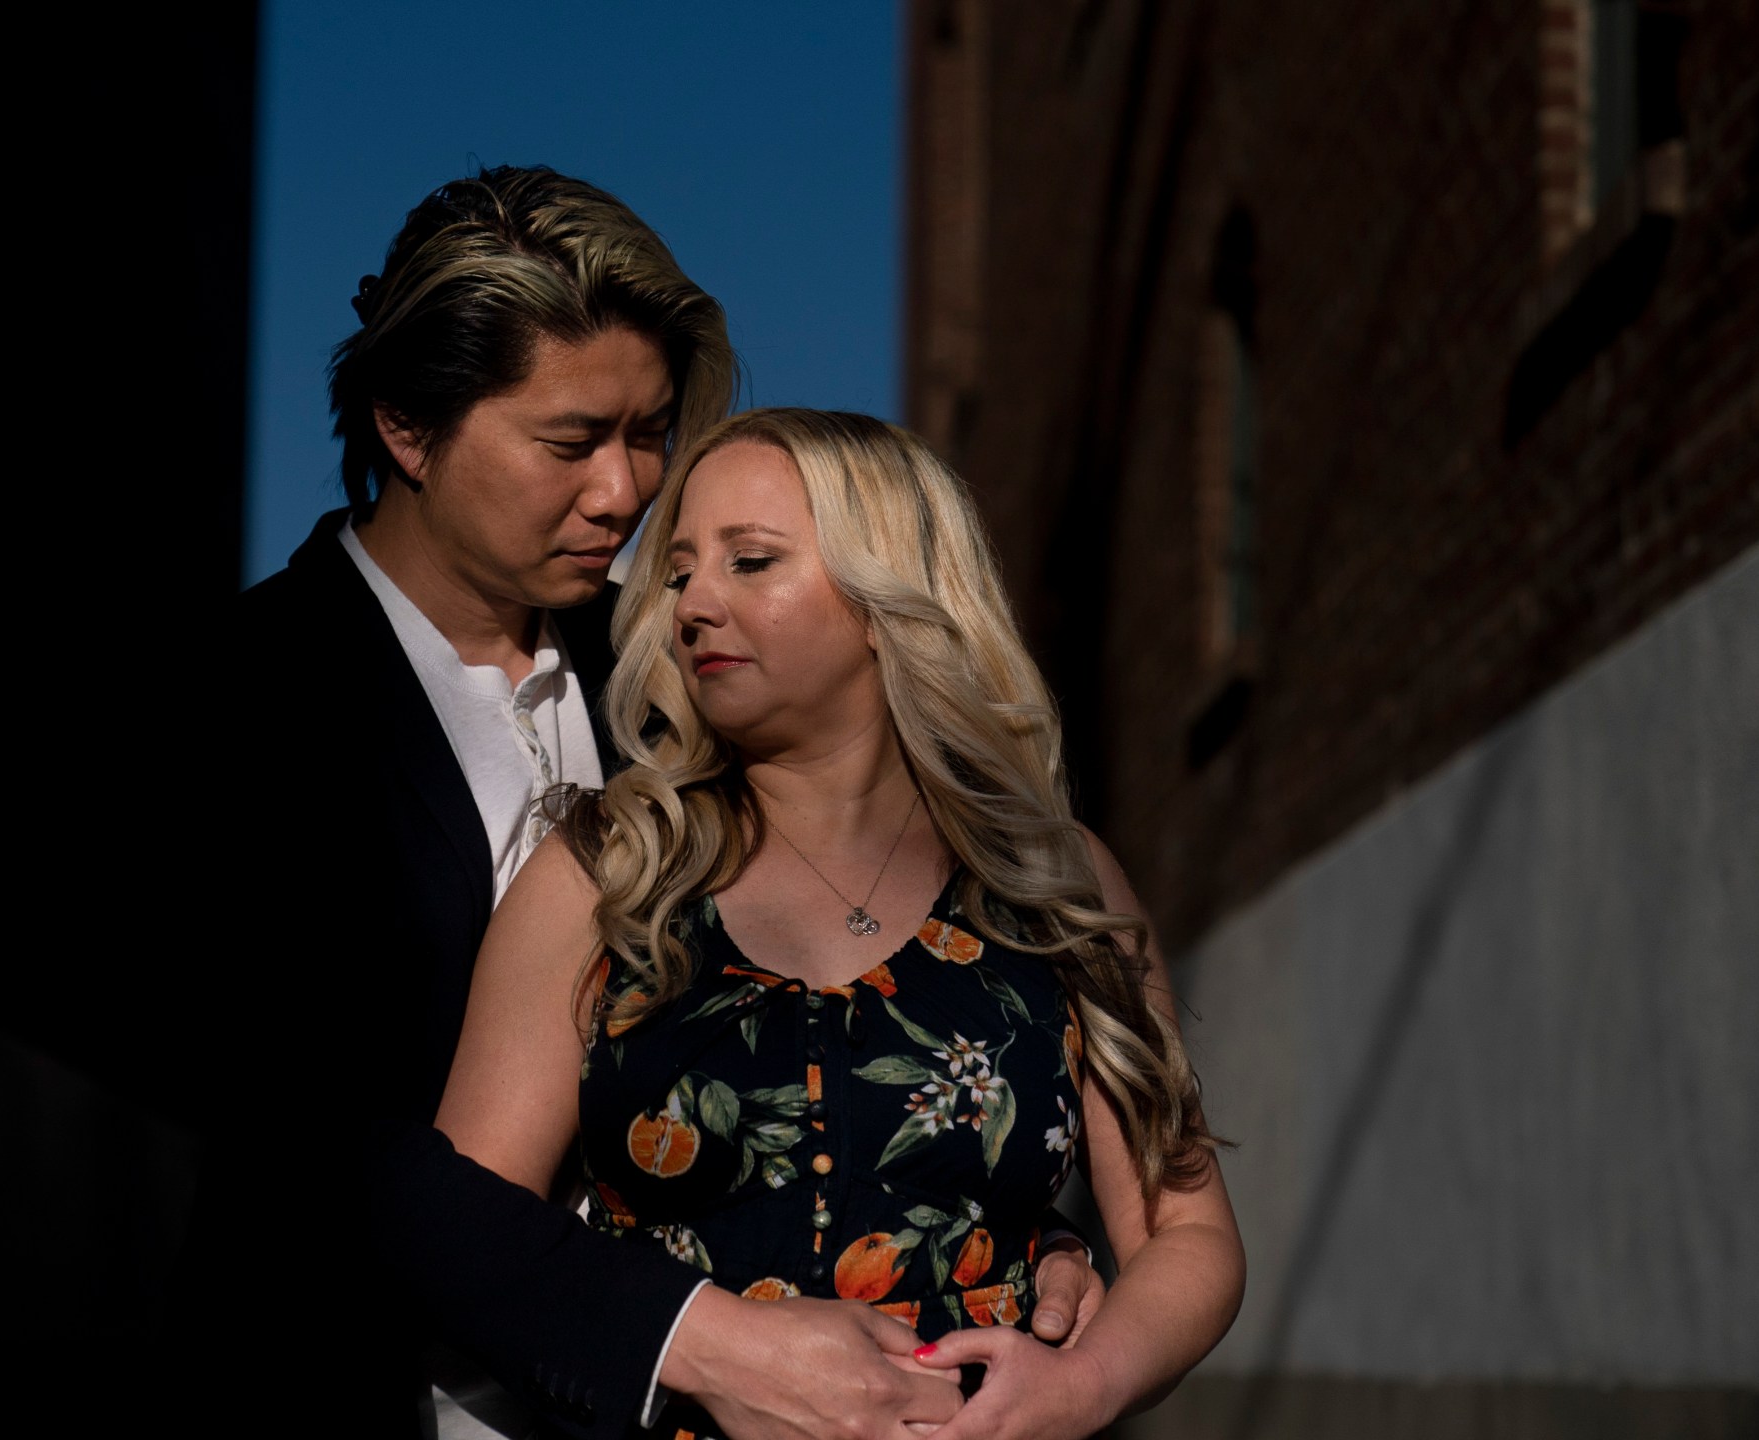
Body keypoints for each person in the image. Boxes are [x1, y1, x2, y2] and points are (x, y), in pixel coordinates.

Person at [193, 169, 1102, 1440]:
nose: (626, 492)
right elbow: (304, 1145)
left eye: (650, 432)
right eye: (572, 441)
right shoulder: (238, 708)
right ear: (406, 427)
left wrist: (1008, 1208)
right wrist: (709, 1345)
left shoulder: (688, 675)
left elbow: (818, 1002)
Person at [433, 408, 1245, 1439]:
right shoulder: (605, 874)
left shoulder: (1052, 878)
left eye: (752, 560)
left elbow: (1189, 1229)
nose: (692, 605)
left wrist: (1086, 1384)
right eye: (681, 572)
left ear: (884, 599)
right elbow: (463, 1236)